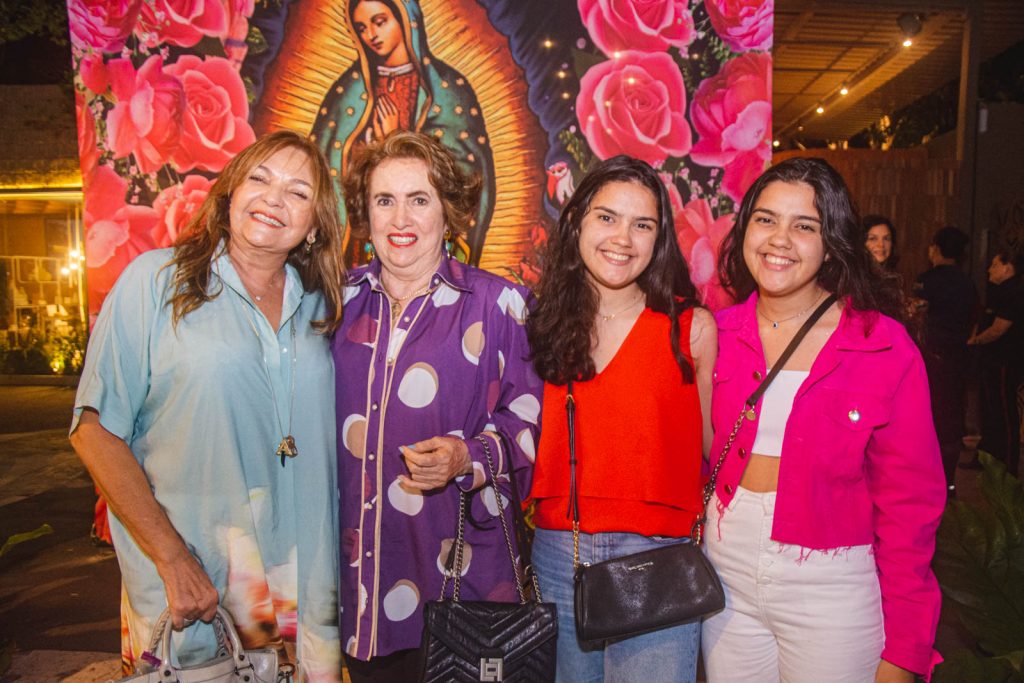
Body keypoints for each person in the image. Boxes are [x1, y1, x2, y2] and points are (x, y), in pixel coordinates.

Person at [69, 130, 345, 681]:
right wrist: (172, 558)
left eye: (298, 192)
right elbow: (95, 430)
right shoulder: (156, 283)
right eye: (260, 179)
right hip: (199, 588)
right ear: (230, 192)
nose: (273, 199)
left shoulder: (326, 306)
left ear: (314, 223)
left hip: (304, 596)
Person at [702, 157, 945, 682]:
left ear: (832, 241)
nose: (779, 239)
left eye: (804, 225)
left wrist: (906, 647)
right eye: (765, 219)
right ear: (744, 229)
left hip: (831, 585)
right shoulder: (714, 334)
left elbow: (911, 507)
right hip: (725, 577)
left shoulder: (882, 346)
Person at [332, 130, 541, 681]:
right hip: (363, 591)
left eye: (419, 199)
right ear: (365, 214)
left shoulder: (502, 305)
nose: (401, 218)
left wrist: (466, 457)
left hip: (465, 588)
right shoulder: (334, 302)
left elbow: (532, 431)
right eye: (385, 200)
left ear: (449, 213)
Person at [526, 156, 716, 682]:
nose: (623, 238)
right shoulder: (540, 324)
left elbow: (716, 451)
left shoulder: (690, 329)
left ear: (660, 240)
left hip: (657, 561)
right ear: (578, 222)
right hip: (560, 552)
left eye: (643, 225)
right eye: (607, 217)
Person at [311, 0, 495, 265]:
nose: (371, 35)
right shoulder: (348, 92)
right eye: (361, 27)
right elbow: (326, 167)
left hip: (420, 240)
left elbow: (465, 173)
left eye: (380, 22)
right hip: (362, 239)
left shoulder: (446, 89)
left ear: (406, 20)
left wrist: (396, 137)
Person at [911, 227, 976, 491]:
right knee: (953, 417)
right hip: (959, 357)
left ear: (935, 248)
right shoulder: (967, 282)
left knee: (930, 415)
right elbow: (974, 318)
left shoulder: (927, 280)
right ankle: (949, 484)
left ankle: (927, 481)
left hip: (931, 358)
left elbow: (916, 313)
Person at [968, 246, 1024, 477]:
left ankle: (1009, 468)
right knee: (990, 412)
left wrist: (974, 341)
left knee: (1005, 411)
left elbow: (999, 328)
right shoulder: (998, 291)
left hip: (1005, 362)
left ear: (1007, 267)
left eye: (994, 264)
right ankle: (988, 458)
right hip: (991, 361)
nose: (989, 269)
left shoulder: (1015, 293)